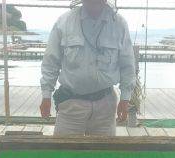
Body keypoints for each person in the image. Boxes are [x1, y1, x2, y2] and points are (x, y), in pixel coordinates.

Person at [40, 0, 136, 136]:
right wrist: (46, 96)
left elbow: (128, 64)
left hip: (106, 105)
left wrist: (125, 98)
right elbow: (50, 61)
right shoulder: (64, 21)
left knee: (103, 154)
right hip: (71, 103)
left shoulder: (119, 24)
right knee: (63, 153)